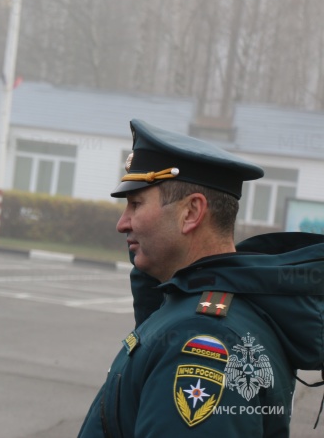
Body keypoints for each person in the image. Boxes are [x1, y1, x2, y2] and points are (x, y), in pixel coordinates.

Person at [78, 119, 324, 437]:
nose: (122, 223)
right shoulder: (200, 309)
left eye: (135, 204)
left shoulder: (201, 339)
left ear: (192, 212)